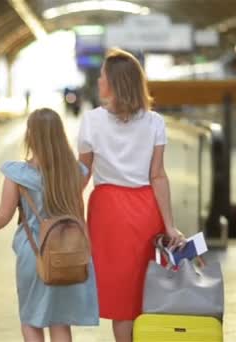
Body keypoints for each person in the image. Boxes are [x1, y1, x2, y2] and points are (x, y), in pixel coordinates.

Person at [0, 108, 99, 342]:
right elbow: (78, 216)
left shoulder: (18, 174)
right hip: (67, 252)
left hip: (34, 252)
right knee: (60, 321)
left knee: (31, 320)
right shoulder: (75, 172)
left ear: (30, 137)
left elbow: (2, 217)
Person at [77, 48, 186, 342]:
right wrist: (169, 224)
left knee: (122, 301)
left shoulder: (91, 121)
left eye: (102, 75)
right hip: (145, 210)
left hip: (108, 213)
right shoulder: (155, 122)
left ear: (112, 82)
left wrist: (69, 213)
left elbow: (82, 174)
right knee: (143, 290)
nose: (99, 80)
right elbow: (158, 175)